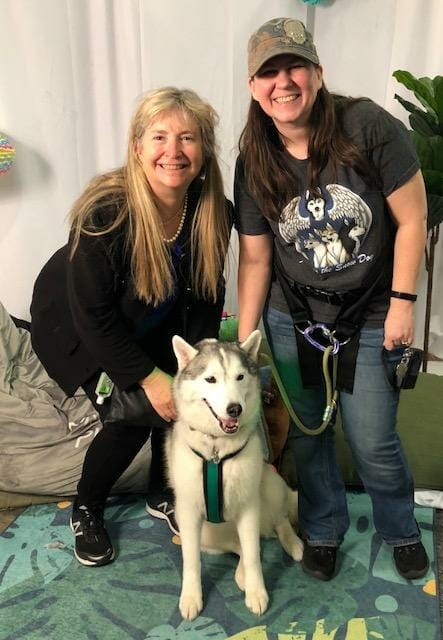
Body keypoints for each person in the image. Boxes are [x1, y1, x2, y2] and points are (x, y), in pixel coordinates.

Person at [234, 17, 429, 581]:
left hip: (368, 312)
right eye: (268, 72)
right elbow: (254, 258)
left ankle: (400, 526)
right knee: (309, 435)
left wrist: (402, 302)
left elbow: (413, 218)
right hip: (291, 313)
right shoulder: (255, 155)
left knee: (372, 438)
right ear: (253, 87)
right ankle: (322, 527)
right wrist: (246, 347)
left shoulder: (367, 127)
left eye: (294, 65)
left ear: (317, 73)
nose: (283, 81)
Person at [30, 87, 232, 567]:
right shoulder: (105, 212)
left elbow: (208, 291)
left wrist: (193, 367)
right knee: (132, 415)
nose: (173, 151)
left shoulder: (212, 208)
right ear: (138, 147)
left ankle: (160, 493)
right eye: (159, 137)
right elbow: (93, 316)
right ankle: (87, 507)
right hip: (75, 326)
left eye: (187, 138)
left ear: (203, 151)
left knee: (181, 399)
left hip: (151, 317)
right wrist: (150, 378)